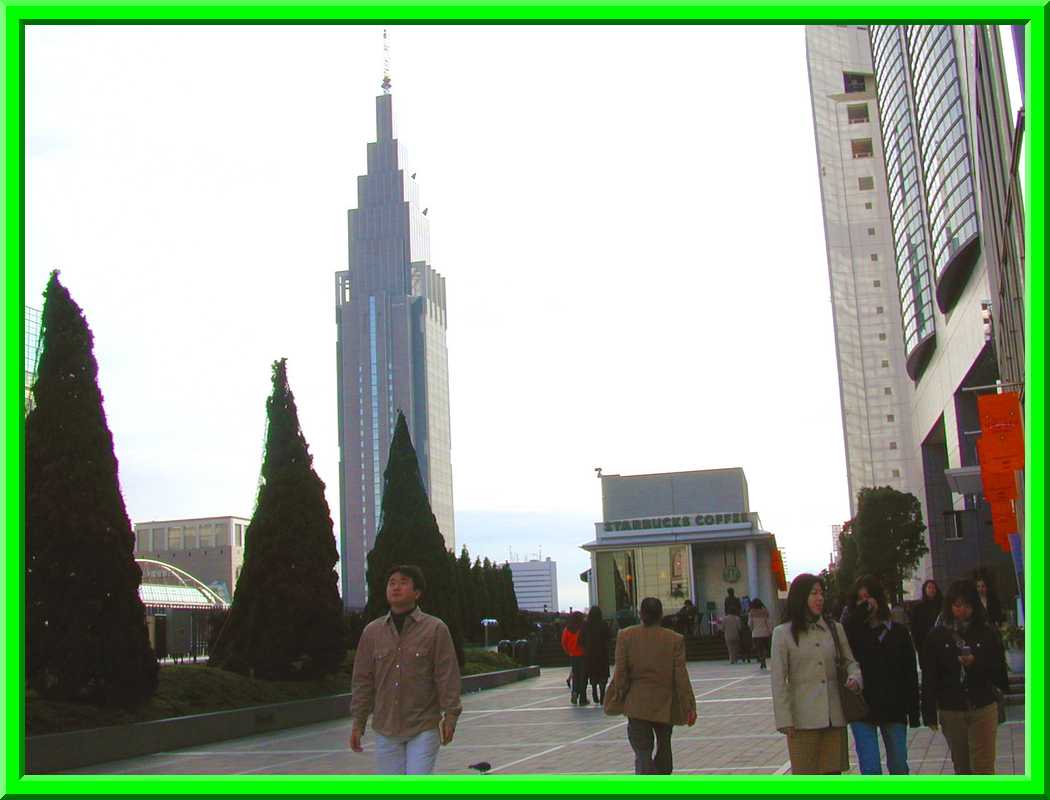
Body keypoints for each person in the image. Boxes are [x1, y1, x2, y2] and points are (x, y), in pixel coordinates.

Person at [349, 565, 462, 774]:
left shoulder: (435, 629)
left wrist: (451, 716)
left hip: (423, 726)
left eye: (403, 582)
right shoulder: (372, 632)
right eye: (391, 583)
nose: (396, 587)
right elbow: (362, 680)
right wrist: (358, 722)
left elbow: (447, 676)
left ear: (417, 592)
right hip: (385, 728)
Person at [771, 573, 863, 775]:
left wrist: (855, 678)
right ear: (800, 597)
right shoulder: (782, 633)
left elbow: (850, 663)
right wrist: (784, 720)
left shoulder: (834, 628)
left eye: (822, 593)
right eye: (814, 593)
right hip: (801, 722)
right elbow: (778, 681)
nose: (820, 598)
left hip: (834, 717)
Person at [921, 579, 1009, 774]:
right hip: (952, 708)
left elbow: (999, 671)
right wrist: (928, 711)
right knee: (962, 767)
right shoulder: (937, 636)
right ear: (950, 605)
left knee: (984, 767)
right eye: (958, 605)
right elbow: (930, 675)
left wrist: (976, 663)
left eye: (968, 605)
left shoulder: (986, 632)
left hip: (983, 704)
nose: (963, 611)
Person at [607, 596, 697, 774]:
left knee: (642, 751)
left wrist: (618, 693)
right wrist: (689, 706)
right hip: (665, 702)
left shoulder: (625, 636)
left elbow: (621, 672)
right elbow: (681, 676)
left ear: (640, 614)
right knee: (664, 746)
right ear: (661, 615)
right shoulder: (674, 639)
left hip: (637, 702)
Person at [841, 575, 921, 774]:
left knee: (899, 765)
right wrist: (859, 615)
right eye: (859, 599)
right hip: (862, 707)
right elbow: (844, 635)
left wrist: (914, 710)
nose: (865, 603)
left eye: (869, 597)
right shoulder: (852, 632)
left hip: (894, 706)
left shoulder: (898, 632)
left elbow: (909, 672)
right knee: (871, 768)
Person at [581, 606, 611, 705]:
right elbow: (608, 637)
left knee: (593, 674)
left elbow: (580, 640)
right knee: (603, 675)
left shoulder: (585, 625)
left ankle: (594, 690)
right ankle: (602, 694)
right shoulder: (603, 624)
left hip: (589, 655)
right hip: (602, 654)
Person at [561, 611, 589, 705]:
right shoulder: (582, 628)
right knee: (583, 677)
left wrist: (568, 651)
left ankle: (575, 692)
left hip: (573, 655)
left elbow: (564, 642)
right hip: (583, 655)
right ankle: (583, 698)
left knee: (575, 676)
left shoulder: (567, 629)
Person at [910, 579, 942, 657]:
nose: (932, 590)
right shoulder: (918, 607)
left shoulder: (942, 605)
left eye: (934, 588)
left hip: (940, 642)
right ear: (925, 590)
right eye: (929, 587)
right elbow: (914, 627)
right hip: (924, 642)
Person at [748, 598, 773, 670]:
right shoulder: (765, 612)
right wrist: (770, 631)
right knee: (765, 648)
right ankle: (763, 659)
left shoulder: (751, 612)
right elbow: (768, 623)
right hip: (765, 633)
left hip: (756, 634)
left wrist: (752, 629)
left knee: (758, 649)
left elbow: (750, 624)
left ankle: (762, 660)